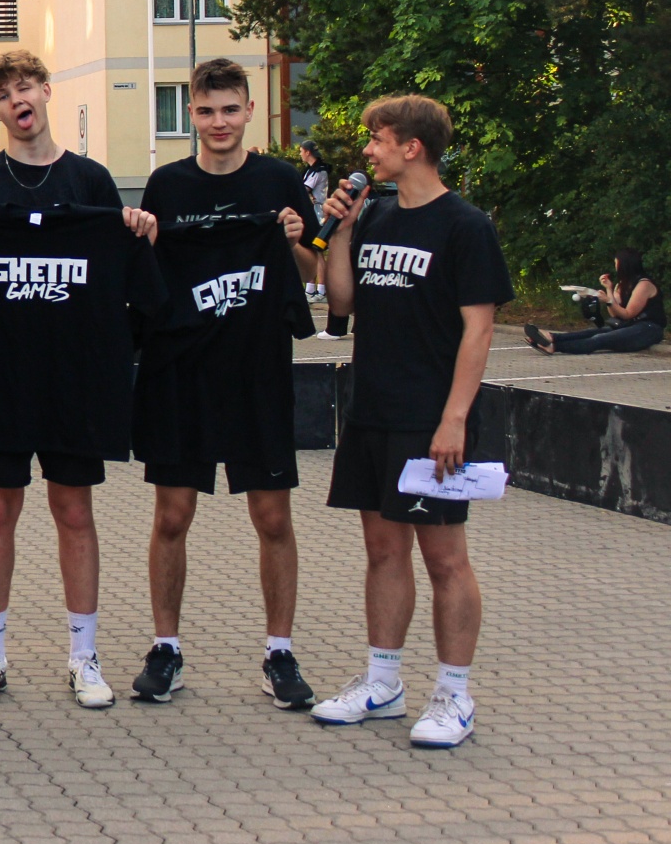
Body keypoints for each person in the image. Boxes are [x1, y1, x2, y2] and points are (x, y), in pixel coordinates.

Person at [0, 49, 157, 711]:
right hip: (0, 379)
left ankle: (84, 656)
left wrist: (138, 231)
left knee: (74, 510)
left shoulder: (92, 182)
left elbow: (132, 280)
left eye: (25, 87)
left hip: (74, 379)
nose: (17, 100)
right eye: (2, 95)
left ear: (47, 91)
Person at [310, 94, 510, 749]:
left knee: (445, 557)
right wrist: (342, 229)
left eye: (377, 139)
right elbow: (342, 303)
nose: (368, 150)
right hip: (372, 409)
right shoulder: (376, 216)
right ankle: (382, 682)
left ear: (411, 147)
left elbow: (479, 330)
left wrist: (454, 419)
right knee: (383, 549)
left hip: (431, 420)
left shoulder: (465, 226)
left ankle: (454, 695)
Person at [130, 59, 321, 710]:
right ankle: (166, 649)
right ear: (191, 113)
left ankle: (279, 652)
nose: (219, 122)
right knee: (171, 516)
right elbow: (144, 269)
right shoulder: (167, 185)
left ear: (249, 110)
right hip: (180, 374)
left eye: (230, 109)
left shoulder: (278, 181)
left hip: (257, 374)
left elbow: (314, 269)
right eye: (207, 111)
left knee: (273, 517)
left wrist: (294, 240)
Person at [526, 250, 662, 355]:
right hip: (629, 325)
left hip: (648, 328)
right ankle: (552, 337)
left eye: (617, 264)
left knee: (599, 338)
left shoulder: (644, 285)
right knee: (591, 332)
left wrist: (609, 300)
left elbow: (627, 314)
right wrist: (609, 289)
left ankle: (554, 347)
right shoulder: (622, 285)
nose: (615, 267)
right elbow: (615, 314)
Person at [298, 143, 329, 303]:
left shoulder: (319, 171)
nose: (300, 154)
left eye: (301, 151)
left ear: (308, 152)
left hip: (318, 216)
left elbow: (304, 190)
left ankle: (321, 290)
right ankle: (310, 288)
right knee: (310, 250)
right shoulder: (311, 170)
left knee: (317, 252)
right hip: (312, 214)